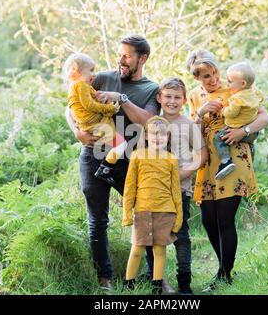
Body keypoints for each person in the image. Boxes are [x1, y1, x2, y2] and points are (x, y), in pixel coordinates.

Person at [65, 35, 160, 291]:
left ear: (143, 59)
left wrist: (121, 98)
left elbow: (149, 122)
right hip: (92, 156)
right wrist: (76, 130)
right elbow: (72, 102)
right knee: (97, 221)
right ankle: (104, 279)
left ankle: (156, 279)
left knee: (144, 215)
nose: (120, 60)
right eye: (120, 54)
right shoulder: (101, 77)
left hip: (129, 159)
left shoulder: (152, 89)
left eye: (127, 56)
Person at [186, 50, 268, 289]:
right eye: (205, 76)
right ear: (197, 78)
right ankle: (223, 270)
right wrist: (201, 113)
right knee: (208, 220)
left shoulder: (236, 87)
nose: (213, 79)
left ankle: (224, 275)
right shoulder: (194, 96)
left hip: (234, 157)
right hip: (207, 160)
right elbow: (191, 131)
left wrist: (242, 131)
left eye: (214, 73)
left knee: (224, 218)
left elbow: (265, 117)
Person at [144, 78, 207, 295]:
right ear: (159, 97)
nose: (172, 101)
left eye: (177, 97)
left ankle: (185, 285)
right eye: (168, 96)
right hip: (154, 191)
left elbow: (202, 155)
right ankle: (157, 284)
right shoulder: (152, 124)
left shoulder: (188, 124)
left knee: (181, 235)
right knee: (153, 237)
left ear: (184, 100)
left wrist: (182, 174)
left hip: (180, 190)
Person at [122, 116, 183, 295]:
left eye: (163, 135)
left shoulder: (171, 159)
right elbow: (129, 186)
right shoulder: (137, 156)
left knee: (159, 251)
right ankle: (128, 286)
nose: (158, 138)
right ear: (147, 136)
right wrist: (127, 213)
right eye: (154, 134)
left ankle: (157, 289)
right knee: (137, 250)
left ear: (168, 138)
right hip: (142, 210)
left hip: (165, 211)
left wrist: (178, 218)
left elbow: (176, 191)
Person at [63, 52, 127, 186]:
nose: (94, 74)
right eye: (91, 70)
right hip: (94, 124)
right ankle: (105, 169)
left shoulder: (77, 86)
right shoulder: (80, 85)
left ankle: (105, 167)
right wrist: (109, 109)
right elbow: (89, 105)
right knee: (121, 144)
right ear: (78, 70)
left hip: (91, 124)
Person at [213, 62, 264, 180]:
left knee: (219, 138)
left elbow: (232, 113)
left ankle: (226, 161)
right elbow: (261, 100)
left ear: (242, 83)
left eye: (230, 81)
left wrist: (223, 110)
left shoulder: (237, 99)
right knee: (247, 143)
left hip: (237, 128)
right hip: (252, 132)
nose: (227, 83)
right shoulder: (254, 92)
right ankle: (250, 150)